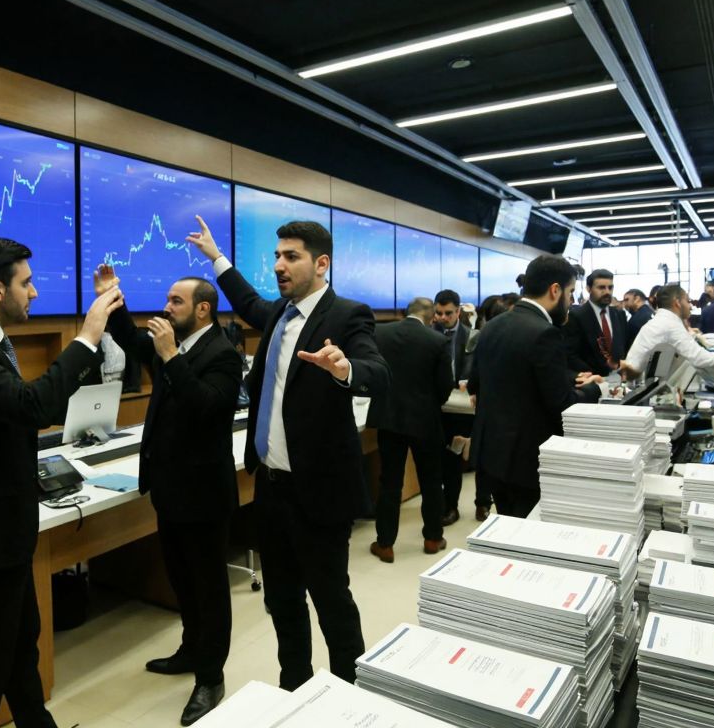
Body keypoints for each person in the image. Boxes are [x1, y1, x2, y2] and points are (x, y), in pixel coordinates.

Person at [0, 237, 123, 728]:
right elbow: (35, 408)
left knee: (19, 640)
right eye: (26, 283)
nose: (34, 293)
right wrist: (88, 336)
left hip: (4, 528)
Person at [186, 216, 388, 690]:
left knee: (331, 602)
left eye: (290, 256)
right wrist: (217, 258)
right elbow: (248, 301)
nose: (279, 265)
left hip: (318, 492)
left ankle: (348, 696)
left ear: (321, 264)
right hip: (271, 488)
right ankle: (293, 687)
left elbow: (377, 371)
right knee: (281, 601)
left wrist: (345, 368)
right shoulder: (279, 312)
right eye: (276, 256)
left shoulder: (347, 314)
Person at [97, 267, 243, 726]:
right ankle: (189, 650)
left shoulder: (222, 353)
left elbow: (207, 408)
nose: (165, 308)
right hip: (170, 489)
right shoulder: (167, 346)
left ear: (202, 309)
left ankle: (210, 676)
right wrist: (112, 297)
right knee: (181, 580)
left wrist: (170, 356)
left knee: (209, 587)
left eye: (175, 302)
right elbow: (130, 339)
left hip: (204, 493)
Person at [468, 254, 604, 517]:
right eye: (570, 293)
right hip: (526, 460)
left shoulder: (493, 325)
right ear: (555, 290)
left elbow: (510, 377)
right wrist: (596, 389)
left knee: (509, 526)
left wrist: (567, 378)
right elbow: (562, 405)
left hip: (493, 455)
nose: (571, 301)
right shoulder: (545, 333)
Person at [367, 297, 453, 559]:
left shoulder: (380, 333)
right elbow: (444, 385)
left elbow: (373, 372)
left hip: (389, 419)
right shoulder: (438, 341)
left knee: (390, 482)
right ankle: (432, 538)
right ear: (431, 318)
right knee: (430, 481)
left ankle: (385, 544)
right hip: (425, 420)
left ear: (407, 313)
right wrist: (430, 404)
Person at [618, 284, 714, 378]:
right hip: (640, 386)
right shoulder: (669, 324)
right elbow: (700, 359)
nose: (690, 306)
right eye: (687, 301)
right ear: (677, 303)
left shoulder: (664, 320)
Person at [433, 289, 481, 522]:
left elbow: (475, 366)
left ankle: (451, 506)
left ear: (458, 312)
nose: (443, 317)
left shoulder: (472, 335)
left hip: (461, 408)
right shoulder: (428, 334)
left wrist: (468, 380)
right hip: (435, 408)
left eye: (448, 313)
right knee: (437, 460)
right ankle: (439, 504)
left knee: (453, 460)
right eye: (439, 313)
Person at [563, 268, 628, 376]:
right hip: (592, 380)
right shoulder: (576, 316)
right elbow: (571, 354)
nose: (607, 292)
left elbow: (623, 346)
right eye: (601, 287)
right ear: (589, 289)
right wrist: (593, 375)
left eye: (610, 287)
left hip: (620, 379)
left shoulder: (619, 314)